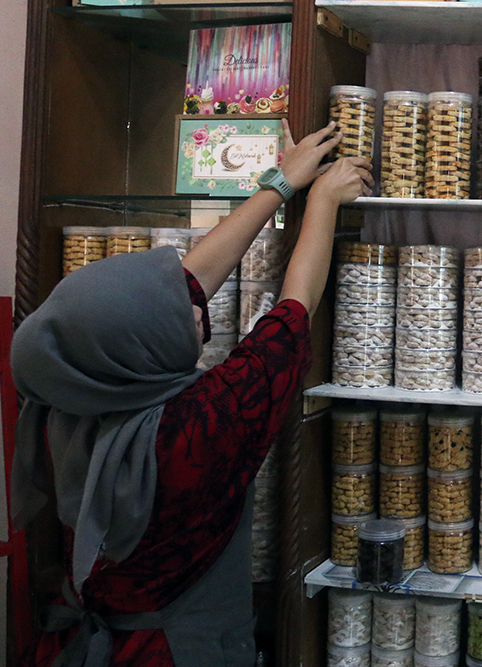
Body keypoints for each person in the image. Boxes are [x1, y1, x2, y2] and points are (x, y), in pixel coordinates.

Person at [10, 119, 373, 667]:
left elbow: (181, 287)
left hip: (79, 641)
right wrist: (322, 201)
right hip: (174, 650)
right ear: (145, 347)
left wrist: (280, 183)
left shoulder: (65, 395)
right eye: (186, 311)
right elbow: (291, 315)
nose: (198, 303)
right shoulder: (196, 428)